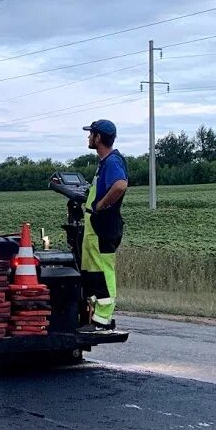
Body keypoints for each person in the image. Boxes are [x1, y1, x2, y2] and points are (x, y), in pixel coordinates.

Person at [79, 119, 128, 331]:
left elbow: (120, 185)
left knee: (104, 269)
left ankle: (103, 317)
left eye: (91, 134)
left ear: (98, 138)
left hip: (104, 225)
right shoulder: (104, 163)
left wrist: (100, 205)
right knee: (93, 270)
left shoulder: (112, 162)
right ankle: (94, 316)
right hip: (96, 225)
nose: (89, 137)